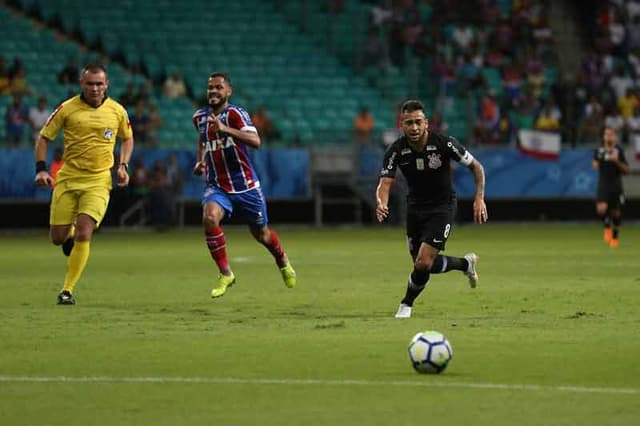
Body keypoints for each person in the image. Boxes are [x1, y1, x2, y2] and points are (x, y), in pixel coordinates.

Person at [375, 100, 488, 319]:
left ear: (426, 123)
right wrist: (381, 202)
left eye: (418, 122)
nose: (414, 128)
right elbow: (385, 183)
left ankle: (406, 304)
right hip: (415, 209)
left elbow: (477, 166)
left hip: (442, 207)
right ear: (402, 125)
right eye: (409, 123)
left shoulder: (444, 144)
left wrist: (479, 197)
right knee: (424, 265)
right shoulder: (396, 150)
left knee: (423, 262)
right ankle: (465, 263)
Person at [34, 63, 134, 305]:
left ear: (107, 84)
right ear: (82, 84)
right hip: (68, 179)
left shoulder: (117, 111)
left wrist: (123, 166)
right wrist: (41, 169)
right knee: (58, 238)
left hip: (99, 180)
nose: (95, 88)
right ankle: (66, 236)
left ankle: (67, 290)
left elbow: (128, 138)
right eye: (90, 83)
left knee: (84, 230)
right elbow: (44, 137)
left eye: (100, 83)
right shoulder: (67, 109)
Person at [192, 72, 296, 298]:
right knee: (209, 218)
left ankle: (282, 260)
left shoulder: (236, 115)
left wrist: (225, 130)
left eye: (218, 87)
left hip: (246, 186)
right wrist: (200, 160)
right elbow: (202, 139)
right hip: (217, 186)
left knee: (262, 234)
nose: (213, 91)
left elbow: (255, 141)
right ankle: (226, 273)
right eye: (210, 87)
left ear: (228, 91)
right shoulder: (199, 117)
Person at [592, 127, 629, 248]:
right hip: (603, 183)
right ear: (603, 137)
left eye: (611, 135)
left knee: (616, 213)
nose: (608, 137)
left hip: (616, 184)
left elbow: (626, 169)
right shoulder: (599, 150)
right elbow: (595, 165)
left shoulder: (619, 151)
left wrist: (616, 161)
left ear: (615, 137)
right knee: (601, 209)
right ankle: (607, 227)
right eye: (606, 134)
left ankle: (615, 237)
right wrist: (602, 158)